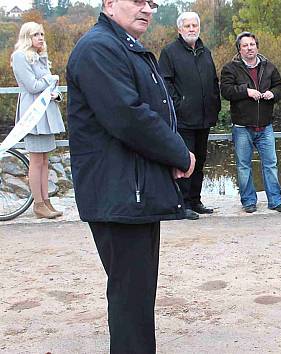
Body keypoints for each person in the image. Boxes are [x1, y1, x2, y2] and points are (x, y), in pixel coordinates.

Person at [66, 0, 195, 352]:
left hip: (130, 191)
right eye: (137, 1)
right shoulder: (99, 49)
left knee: (135, 297)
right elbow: (129, 116)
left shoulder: (121, 46)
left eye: (151, 3)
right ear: (109, 4)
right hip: (118, 194)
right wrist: (179, 152)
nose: (148, 9)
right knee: (130, 301)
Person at [159, 11, 220, 220]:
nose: (192, 29)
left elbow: (213, 81)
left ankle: (195, 200)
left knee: (200, 161)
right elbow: (165, 83)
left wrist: (215, 105)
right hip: (183, 119)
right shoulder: (169, 52)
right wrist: (179, 106)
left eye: (195, 25)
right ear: (179, 29)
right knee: (185, 162)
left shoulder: (206, 52)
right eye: (187, 26)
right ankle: (182, 203)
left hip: (204, 117)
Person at [220, 32, 281, 213]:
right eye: (245, 45)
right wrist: (246, 91)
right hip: (242, 126)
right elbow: (226, 91)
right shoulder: (230, 68)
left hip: (265, 125)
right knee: (244, 166)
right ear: (239, 49)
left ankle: (275, 200)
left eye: (252, 44)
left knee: (271, 164)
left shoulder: (269, 67)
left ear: (257, 46)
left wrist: (273, 94)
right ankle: (249, 201)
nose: (249, 48)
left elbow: (279, 86)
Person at [11, 22, 65, 219]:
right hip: (33, 114)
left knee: (44, 160)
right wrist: (52, 80)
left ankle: (46, 201)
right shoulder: (19, 57)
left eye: (42, 34)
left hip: (46, 114)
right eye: (36, 34)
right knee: (36, 160)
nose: (41, 37)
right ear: (27, 37)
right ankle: (39, 204)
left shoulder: (41, 57)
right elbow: (33, 86)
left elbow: (52, 85)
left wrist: (55, 92)